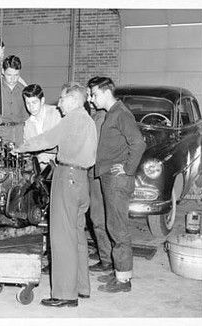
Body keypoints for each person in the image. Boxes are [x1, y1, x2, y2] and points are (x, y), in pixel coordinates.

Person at [16, 83, 97, 307]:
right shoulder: (88, 121)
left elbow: (47, 139)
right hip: (82, 181)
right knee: (78, 236)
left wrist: (20, 148)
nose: (59, 103)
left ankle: (64, 295)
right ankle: (81, 287)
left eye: (62, 99)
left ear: (72, 99)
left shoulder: (71, 119)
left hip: (67, 178)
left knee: (62, 239)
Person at [88, 76, 146, 293]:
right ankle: (119, 274)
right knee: (113, 226)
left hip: (117, 180)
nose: (92, 100)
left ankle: (123, 281)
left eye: (94, 94)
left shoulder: (121, 113)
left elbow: (138, 143)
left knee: (118, 229)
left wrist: (127, 168)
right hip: (109, 177)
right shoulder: (113, 113)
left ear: (105, 92)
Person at [85, 83, 113, 273]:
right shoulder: (95, 116)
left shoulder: (100, 118)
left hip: (96, 173)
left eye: (91, 95)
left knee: (98, 216)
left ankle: (107, 260)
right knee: (95, 215)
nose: (89, 99)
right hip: (92, 171)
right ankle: (104, 251)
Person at [0, 55, 29, 146]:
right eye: (9, 75)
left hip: (20, 131)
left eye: (16, 75)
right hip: (2, 131)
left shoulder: (23, 89)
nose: (13, 79)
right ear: (2, 72)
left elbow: (27, 115)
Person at [22, 84, 62, 171]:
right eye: (27, 103)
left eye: (34, 102)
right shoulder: (27, 124)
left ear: (42, 100)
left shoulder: (57, 114)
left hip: (60, 167)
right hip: (40, 170)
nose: (31, 107)